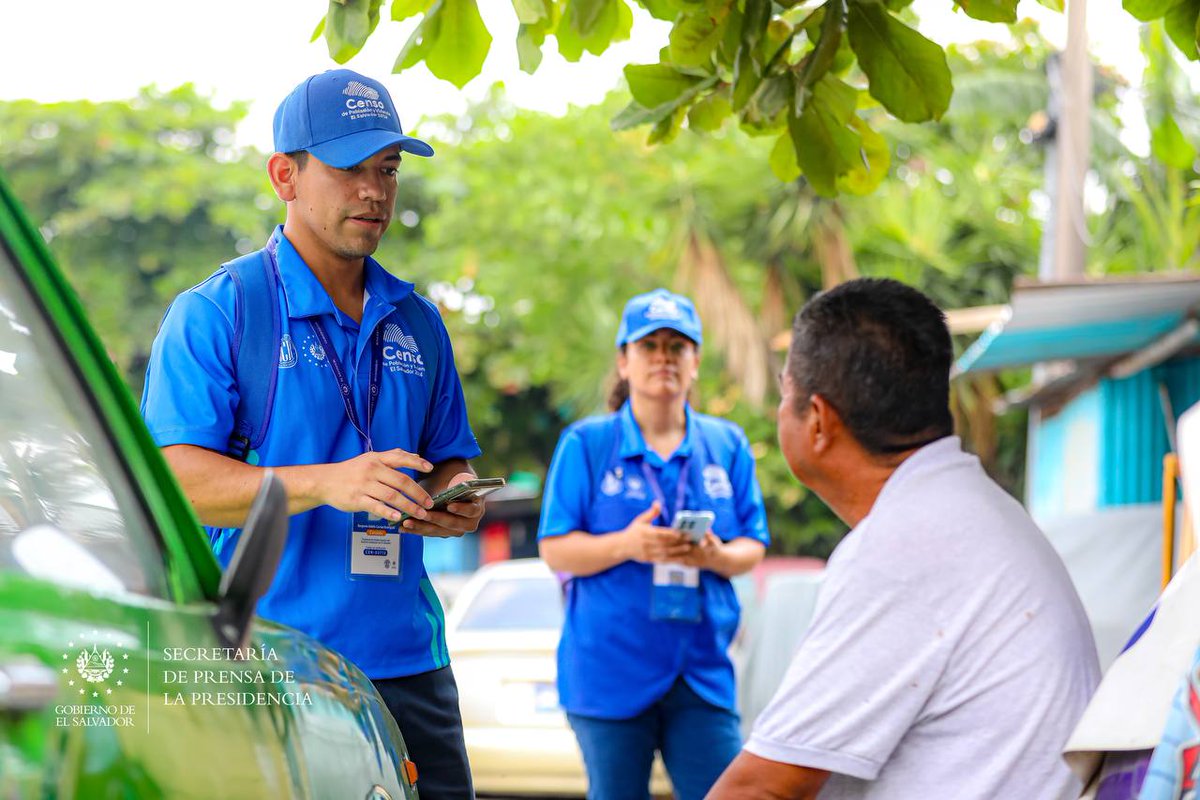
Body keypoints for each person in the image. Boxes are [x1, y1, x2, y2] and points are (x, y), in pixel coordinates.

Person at [140, 69, 482, 797]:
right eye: (350, 167)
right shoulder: (218, 312)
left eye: (387, 169)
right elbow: (172, 484)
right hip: (266, 670)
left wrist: (452, 496)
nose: (376, 190)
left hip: (408, 667)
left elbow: (448, 455)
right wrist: (330, 482)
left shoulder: (418, 320)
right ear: (284, 175)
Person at [708, 277, 1101, 799]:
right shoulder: (966, 511)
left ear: (819, 421)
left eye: (786, 393)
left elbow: (762, 789)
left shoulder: (903, 546)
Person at [538, 288, 770, 800]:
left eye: (677, 346)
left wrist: (714, 556)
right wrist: (627, 544)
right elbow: (555, 548)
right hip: (609, 672)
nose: (663, 357)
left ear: (695, 361)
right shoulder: (587, 443)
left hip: (700, 670)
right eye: (649, 346)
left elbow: (752, 544)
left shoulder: (726, 443)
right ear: (624, 361)